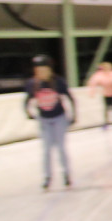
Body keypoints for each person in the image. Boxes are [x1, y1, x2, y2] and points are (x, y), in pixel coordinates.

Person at [24, 54, 75, 190]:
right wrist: (28, 112)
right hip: (44, 119)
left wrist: (74, 115)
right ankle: (47, 177)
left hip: (59, 117)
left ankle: (66, 174)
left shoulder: (58, 82)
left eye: (43, 69)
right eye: (37, 70)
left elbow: (70, 97)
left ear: (49, 69)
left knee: (61, 147)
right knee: (46, 149)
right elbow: (27, 99)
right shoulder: (33, 83)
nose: (40, 72)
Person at [87, 60, 112, 129]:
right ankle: (106, 123)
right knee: (106, 109)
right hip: (106, 94)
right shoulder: (99, 75)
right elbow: (92, 83)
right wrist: (92, 92)